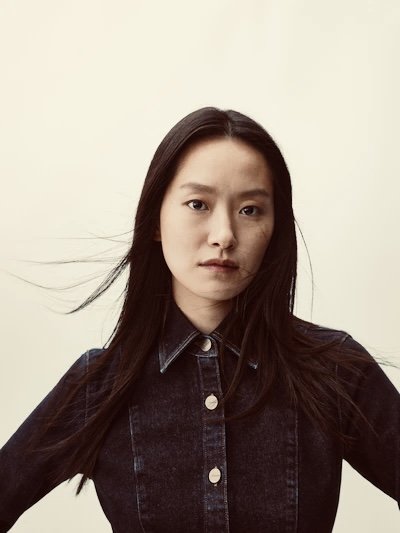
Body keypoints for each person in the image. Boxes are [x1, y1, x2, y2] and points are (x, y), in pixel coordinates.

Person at [0, 107, 399, 532]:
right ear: (155, 220)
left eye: (250, 210)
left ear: (275, 227)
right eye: (198, 204)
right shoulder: (101, 384)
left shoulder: (335, 369)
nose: (224, 235)